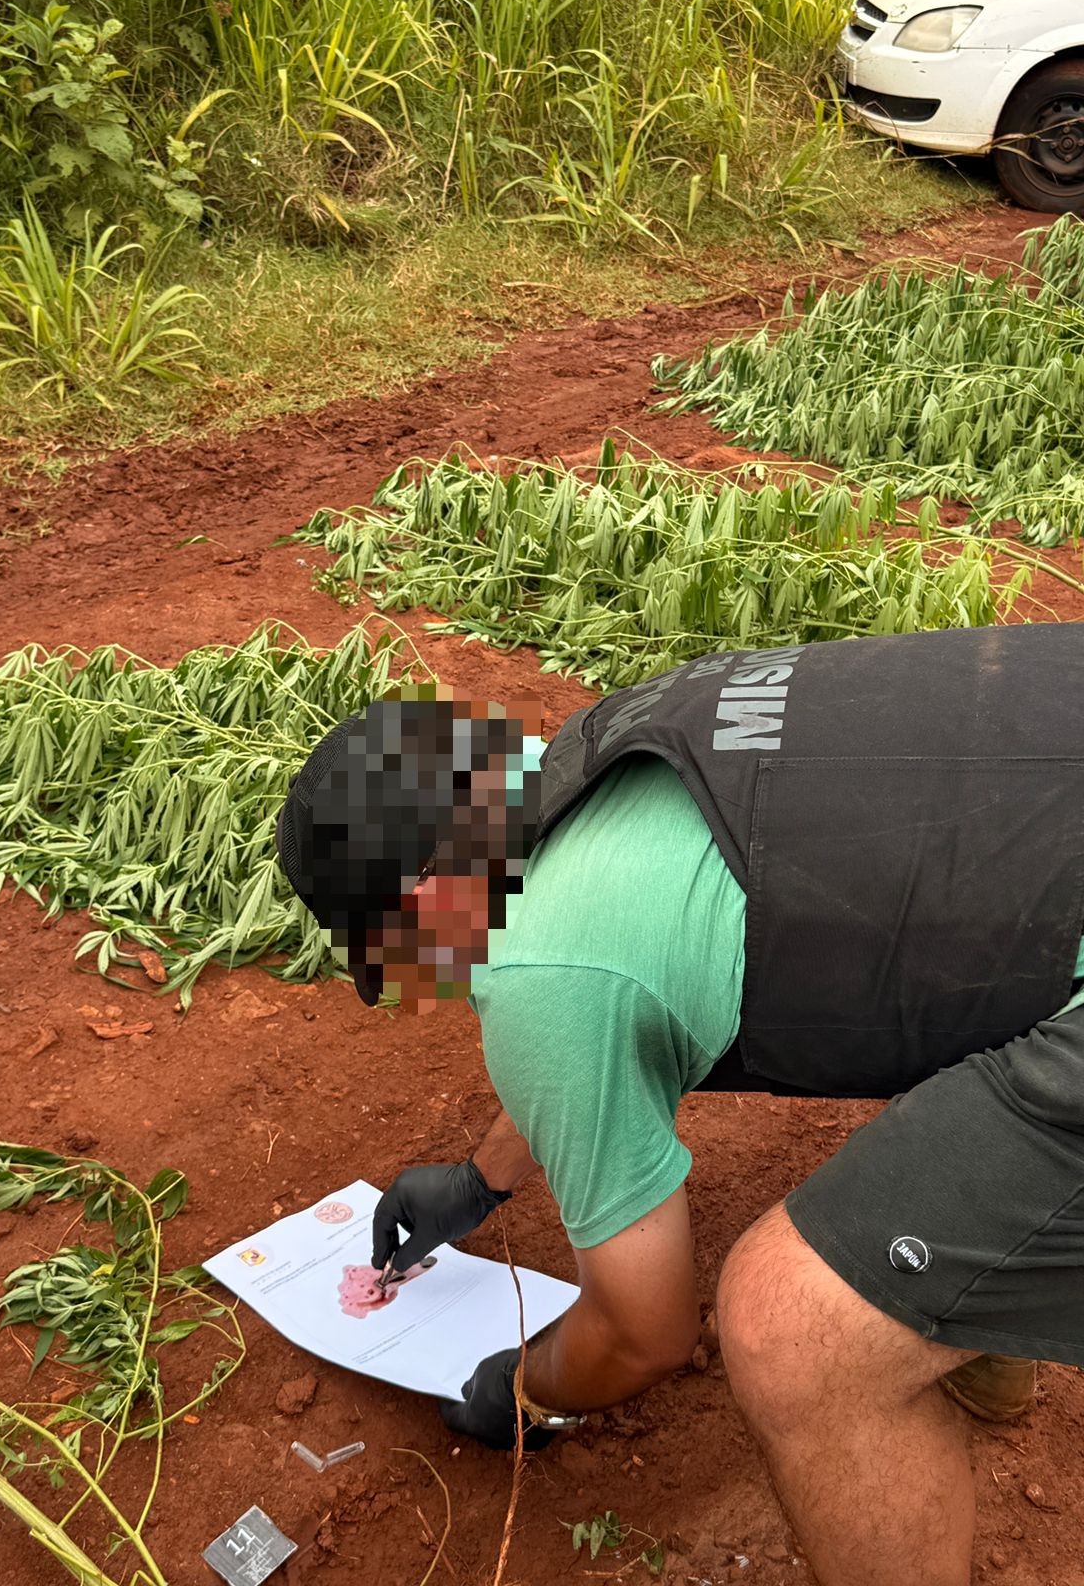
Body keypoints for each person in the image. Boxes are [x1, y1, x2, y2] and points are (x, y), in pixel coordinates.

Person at [276, 625, 1084, 1586]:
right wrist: (481, 1181)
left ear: (422, 897)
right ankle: (974, 1323)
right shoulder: (613, 743)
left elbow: (645, 1333)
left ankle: (954, 1317)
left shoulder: (539, 968)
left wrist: (527, 1388)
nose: (422, 979)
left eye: (399, 950)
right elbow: (604, 979)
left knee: (790, 1327)